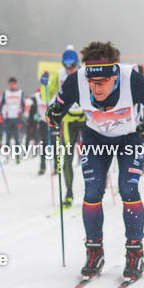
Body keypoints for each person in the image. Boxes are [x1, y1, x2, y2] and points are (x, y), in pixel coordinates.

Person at [45, 41, 144, 280]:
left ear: (114, 76)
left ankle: (135, 252)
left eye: (102, 82)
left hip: (130, 137)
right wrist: (53, 115)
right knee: (92, 191)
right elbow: (55, 110)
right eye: (92, 82)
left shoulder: (132, 79)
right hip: (95, 137)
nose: (96, 87)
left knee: (128, 188)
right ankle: (94, 252)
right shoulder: (77, 80)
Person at [49, 47, 87, 208]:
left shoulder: (85, 73)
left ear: (77, 64)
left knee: (91, 155)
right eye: (67, 67)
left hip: (86, 119)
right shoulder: (60, 74)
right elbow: (48, 94)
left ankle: (92, 191)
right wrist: (45, 84)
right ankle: (69, 193)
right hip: (69, 120)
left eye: (72, 67)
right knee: (67, 158)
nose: (70, 70)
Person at [0, 77, 24, 161]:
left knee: (17, 138)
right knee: (7, 138)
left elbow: (23, 104)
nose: (12, 85)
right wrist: (3, 115)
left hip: (17, 118)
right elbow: (2, 105)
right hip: (8, 118)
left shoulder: (20, 93)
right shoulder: (6, 93)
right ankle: (7, 155)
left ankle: (17, 156)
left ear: (16, 84)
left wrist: (22, 114)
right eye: (10, 84)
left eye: (13, 84)